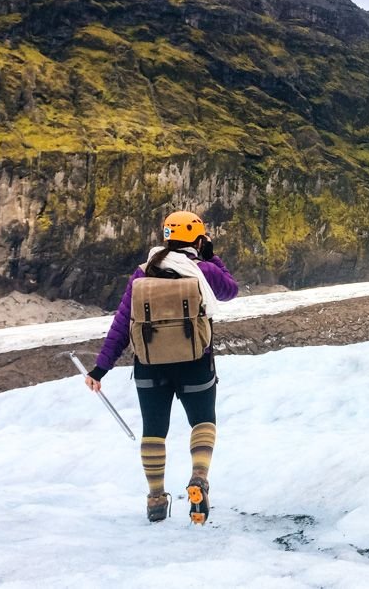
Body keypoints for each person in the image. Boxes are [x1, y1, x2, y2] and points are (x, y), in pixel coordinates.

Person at [85, 210, 238, 524]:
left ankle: (155, 498)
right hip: (195, 362)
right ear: (197, 238)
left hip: (150, 365)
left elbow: (122, 323)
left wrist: (100, 369)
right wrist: (213, 257)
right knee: (202, 423)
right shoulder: (203, 269)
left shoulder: (143, 272)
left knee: (154, 431)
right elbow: (230, 291)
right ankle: (198, 480)